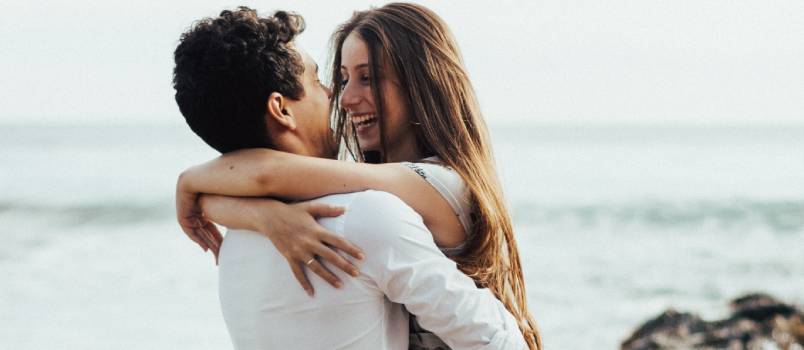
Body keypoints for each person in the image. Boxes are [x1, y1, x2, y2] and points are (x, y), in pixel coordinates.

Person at [177, 3, 543, 350]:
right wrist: (257, 214)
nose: (343, 97)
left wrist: (194, 185)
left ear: (421, 82)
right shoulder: (364, 203)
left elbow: (268, 174)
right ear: (281, 109)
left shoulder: (438, 185)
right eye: (338, 78)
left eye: (367, 78)